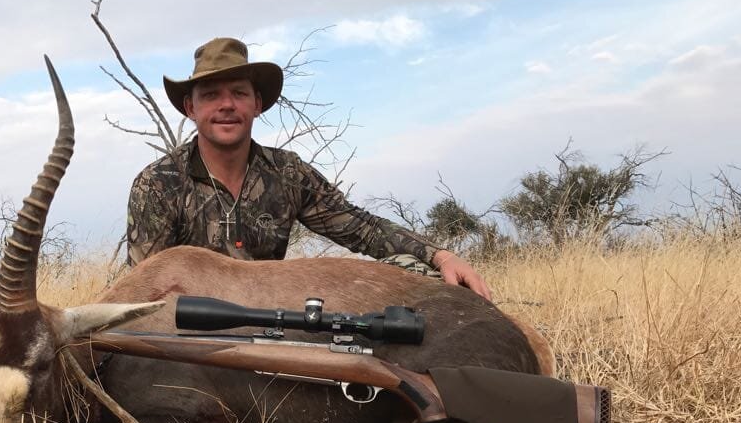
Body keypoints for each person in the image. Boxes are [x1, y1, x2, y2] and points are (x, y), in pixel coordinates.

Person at [126, 37, 491, 300]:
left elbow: (360, 227)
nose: (226, 105)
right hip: (190, 333)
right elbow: (144, 291)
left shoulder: (287, 173)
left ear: (257, 104)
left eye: (238, 93)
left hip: (276, 317)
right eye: (211, 95)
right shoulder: (158, 184)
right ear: (191, 107)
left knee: (421, 273)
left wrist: (440, 254)